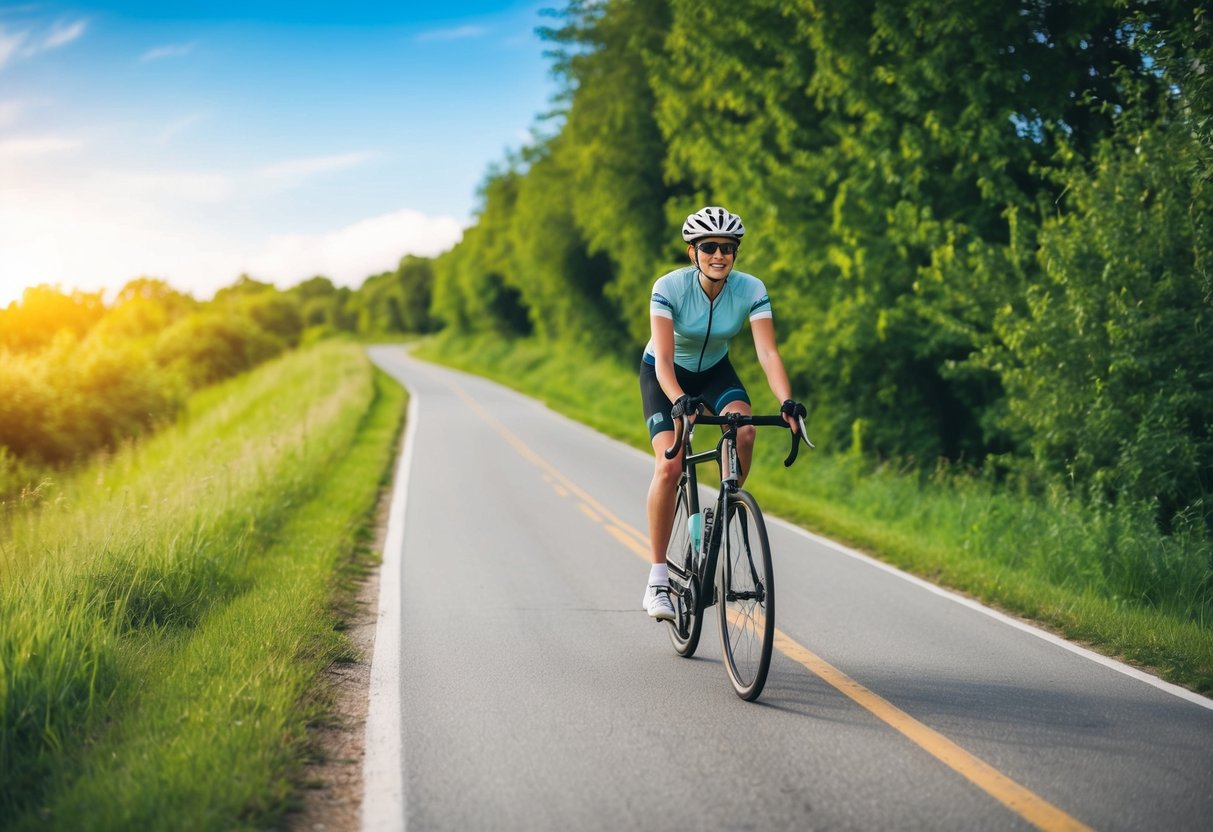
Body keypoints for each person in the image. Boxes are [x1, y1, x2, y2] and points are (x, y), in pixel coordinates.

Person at [639, 206, 806, 621]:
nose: (719, 255)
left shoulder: (750, 289)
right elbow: (662, 359)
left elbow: (767, 352)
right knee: (670, 465)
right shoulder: (669, 286)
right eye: (709, 247)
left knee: (744, 429)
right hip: (666, 374)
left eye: (728, 248)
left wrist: (786, 400)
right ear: (692, 251)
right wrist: (679, 399)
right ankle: (658, 578)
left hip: (715, 371)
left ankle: (728, 500)